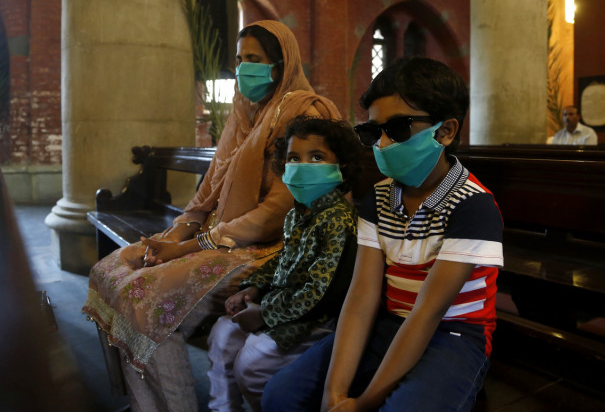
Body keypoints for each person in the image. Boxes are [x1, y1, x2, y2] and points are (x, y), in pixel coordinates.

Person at [82, 20, 341, 412]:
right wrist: (172, 238)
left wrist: (188, 246)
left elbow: (274, 214)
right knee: (113, 270)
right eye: (238, 59)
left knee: (145, 298)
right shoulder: (244, 112)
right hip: (219, 236)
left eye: (254, 59)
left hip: (265, 249)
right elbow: (207, 193)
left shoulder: (305, 113)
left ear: (280, 62)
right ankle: (145, 403)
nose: (242, 68)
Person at [262, 57, 504, 412]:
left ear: (446, 131)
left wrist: (363, 403)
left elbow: (427, 314)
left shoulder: (473, 206)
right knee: (280, 396)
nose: (384, 144)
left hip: (453, 335)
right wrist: (335, 392)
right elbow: (361, 299)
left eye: (399, 128)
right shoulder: (380, 196)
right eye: (375, 132)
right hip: (386, 323)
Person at [206, 115, 361, 412]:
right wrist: (253, 289)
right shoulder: (297, 214)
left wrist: (265, 314)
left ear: (341, 166)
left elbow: (322, 294)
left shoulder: (339, 219)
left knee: (252, 361)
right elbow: (283, 262)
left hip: (314, 321)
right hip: (280, 307)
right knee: (222, 335)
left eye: (316, 157)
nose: (302, 166)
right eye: (293, 158)